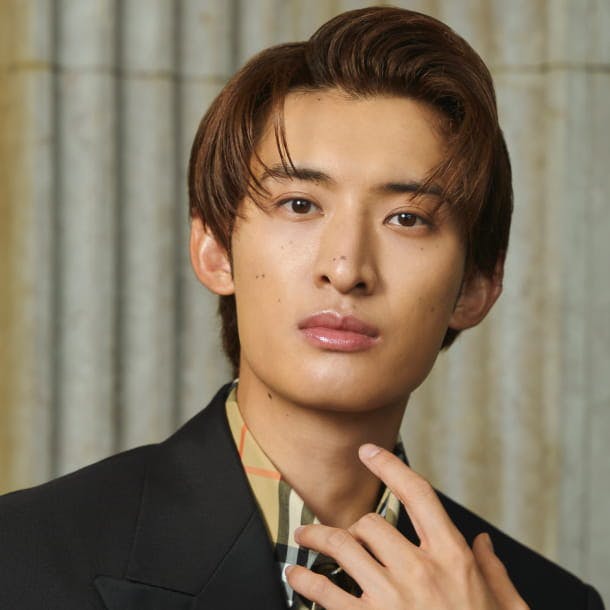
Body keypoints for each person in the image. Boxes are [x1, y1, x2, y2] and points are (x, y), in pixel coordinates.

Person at [0, 6, 604, 610]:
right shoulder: (21, 557)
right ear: (215, 250)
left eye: (407, 218)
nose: (345, 268)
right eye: (299, 205)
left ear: (476, 285)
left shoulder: (554, 600)